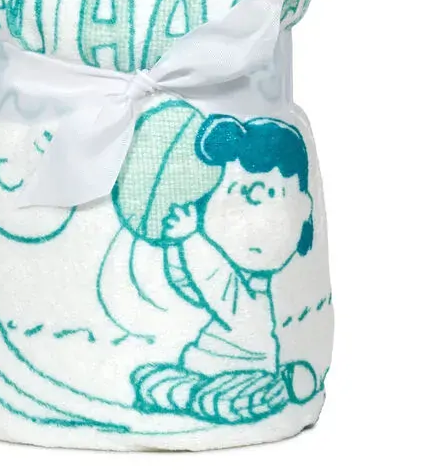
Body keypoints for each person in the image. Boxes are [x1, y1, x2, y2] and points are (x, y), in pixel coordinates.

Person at [131, 114, 318, 424]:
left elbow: (217, 282)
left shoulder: (249, 300)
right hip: (201, 366)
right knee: (152, 382)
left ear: (303, 210)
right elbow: (192, 286)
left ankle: (280, 387)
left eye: (268, 196)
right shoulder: (226, 273)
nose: (252, 221)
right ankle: (208, 395)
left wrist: (191, 238)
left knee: (219, 400)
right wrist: (177, 245)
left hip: (246, 369)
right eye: (232, 192)